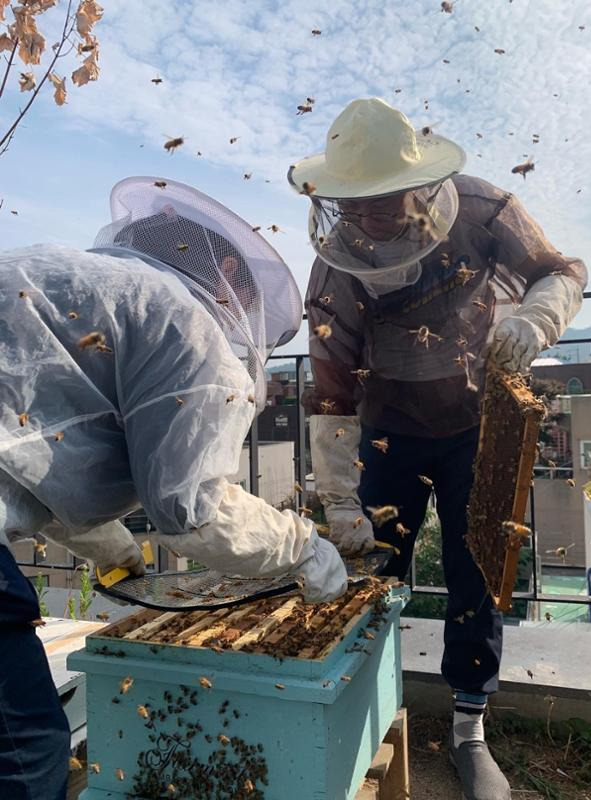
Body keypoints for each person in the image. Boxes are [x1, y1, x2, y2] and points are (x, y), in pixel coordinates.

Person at [0, 176, 348, 800]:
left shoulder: (63, 275)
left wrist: (114, 552)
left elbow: (34, 457)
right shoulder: (183, 323)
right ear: (228, 288)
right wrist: (304, 547)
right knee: (23, 749)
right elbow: (192, 510)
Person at [288, 98, 587, 800]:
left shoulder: (484, 210)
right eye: (354, 205)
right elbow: (330, 395)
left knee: (475, 569)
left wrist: (540, 318)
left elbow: (561, 269)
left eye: (384, 202)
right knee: (367, 575)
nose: (370, 219)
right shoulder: (336, 271)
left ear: (419, 184)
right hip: (384, 437)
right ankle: (365, 710)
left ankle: (469, 727)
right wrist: (338, 501)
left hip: (476, 425)